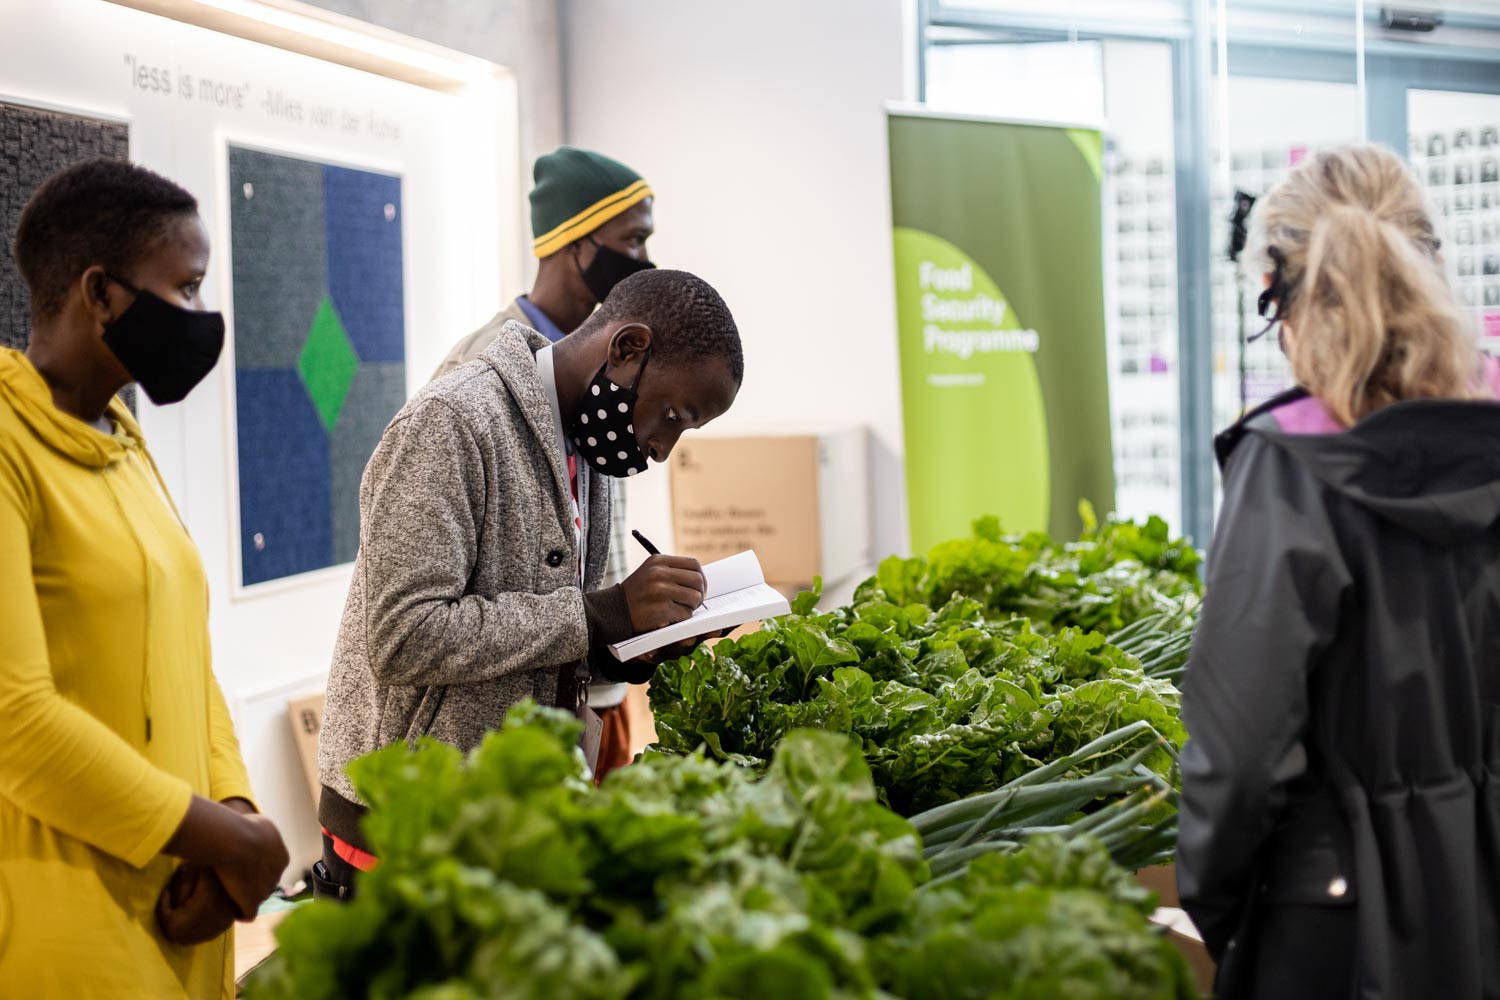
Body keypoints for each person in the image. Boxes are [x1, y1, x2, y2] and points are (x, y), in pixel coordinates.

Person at [1176, 144, 1500, 1000]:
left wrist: (1217, 906)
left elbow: (1239, 754)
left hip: (1336, 920)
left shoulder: (1288, 469)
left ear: (1281, 296)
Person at [316, 268, 742, 899]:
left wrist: (629, 644)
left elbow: (547, 638)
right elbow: (403, 635)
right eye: (673, 415)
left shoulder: (589, 447)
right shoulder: (451, 423)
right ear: (627, 348)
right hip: (402, 829)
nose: (662, 449)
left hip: (507, 817)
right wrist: (599, 615)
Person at [0, 159, 289, 996]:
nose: (200, 316)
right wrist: (220, 842)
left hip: (178, 904)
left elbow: (186, 656)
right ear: (101, 293)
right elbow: (16, 720)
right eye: (187, 287)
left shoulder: (124, 439)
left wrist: (232, 811)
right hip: (69, 929)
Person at [432, 147, 657, 774]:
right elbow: (424, 603)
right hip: (503, 728)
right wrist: (599, 618)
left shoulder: (610, 368)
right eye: (632, 240)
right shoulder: (472, 378)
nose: (643, 261)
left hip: (588, 693)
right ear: (574, 241)